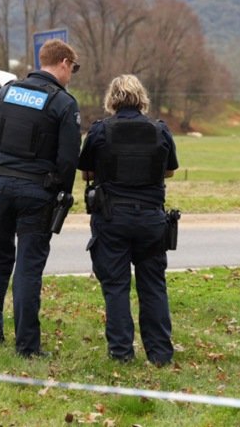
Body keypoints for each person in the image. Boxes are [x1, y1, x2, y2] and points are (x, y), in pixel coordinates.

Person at [0, 38, 82, 358]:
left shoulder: (4, 93)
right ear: (63, 63)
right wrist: (62, 194)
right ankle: (27, 346)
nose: (72, 74)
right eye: (72, 68)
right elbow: (68, 159)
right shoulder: (63, 104)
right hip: (37, 193)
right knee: (28, 268)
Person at [78, 74, 178, 366]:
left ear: (113, 99)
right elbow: (169, 170)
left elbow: (85, 172)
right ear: (142, 98)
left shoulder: (100, 131)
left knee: (116, 286)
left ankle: (121, 353)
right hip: (151, 219)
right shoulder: (159, 130)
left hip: (112, 218)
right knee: (153, 285)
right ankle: (160, 354)